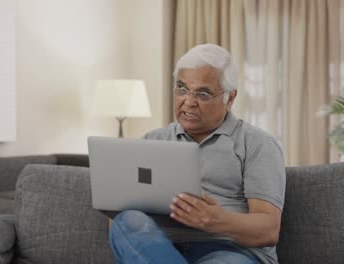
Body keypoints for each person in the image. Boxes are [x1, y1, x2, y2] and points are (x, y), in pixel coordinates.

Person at [108, 44, 286, 264]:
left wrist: (215, 221)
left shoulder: (257, 144)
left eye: (203, 93)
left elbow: (268, 230)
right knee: (125, 221)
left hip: (232, 251)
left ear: (229, 99)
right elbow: (124, 223)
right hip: (161, 248)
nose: (189, 102)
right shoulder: (152, 141)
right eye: (182, 89)